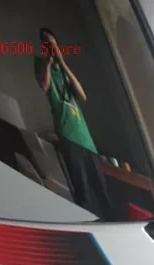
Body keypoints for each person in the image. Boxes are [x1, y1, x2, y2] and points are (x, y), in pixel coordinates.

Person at [34, 28, 111, 218]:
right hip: (68, 137)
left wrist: (63, 63)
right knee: (82, 189)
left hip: (87, 141)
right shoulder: (41, 64)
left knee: (102, 190)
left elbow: (82, 95)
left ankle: (110, 220)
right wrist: (49, 62)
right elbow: (44, 86)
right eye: (47, 45)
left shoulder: (64, 71)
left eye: (54, 45)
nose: (51, 48)